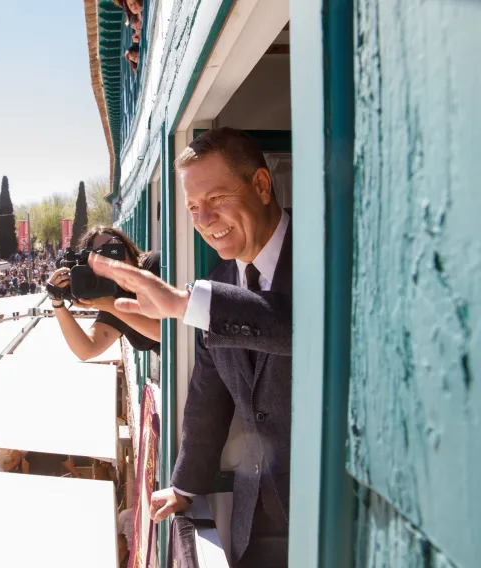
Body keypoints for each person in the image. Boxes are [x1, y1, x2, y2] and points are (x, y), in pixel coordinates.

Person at [88, 127, 292, 568]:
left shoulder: (324, 252)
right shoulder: (218, 280)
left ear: (261, 185)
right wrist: (183, 487)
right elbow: (207, 397)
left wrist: (184, 304)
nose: (204, 219)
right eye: (193, 207)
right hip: (256, 517)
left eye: (216, 198)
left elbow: (304, 325)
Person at [47, 227, 161, 361]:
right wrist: (57, 303)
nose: (111, 253)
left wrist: (110, 305)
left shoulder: (154, 265)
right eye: (101, 253)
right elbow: (86, 350)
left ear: (126, 245)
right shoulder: (113, 296)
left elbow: (165, 333)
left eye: (113, 244)